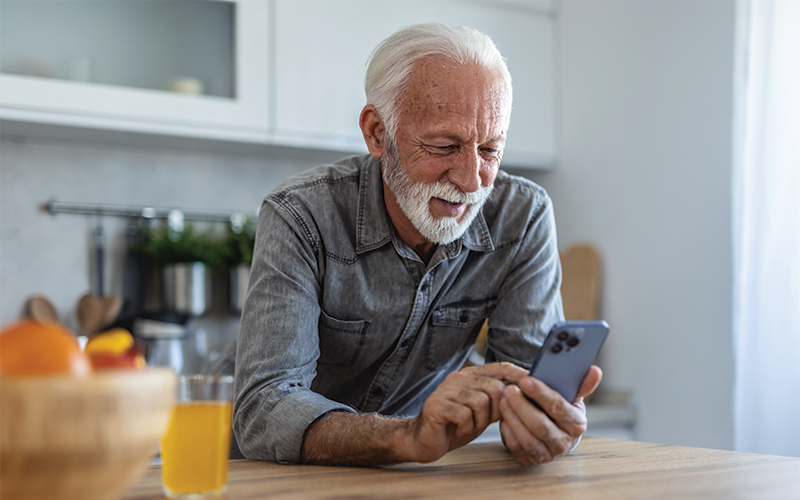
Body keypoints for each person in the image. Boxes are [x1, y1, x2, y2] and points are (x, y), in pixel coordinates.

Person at [234, 22, 602, 467]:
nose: (471, 181)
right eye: (445, 146)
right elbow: (263, 409)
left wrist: (546, 420)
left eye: (489, 150)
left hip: (409, 477)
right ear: (376, 132)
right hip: (268, 479)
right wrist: (403, 436)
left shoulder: (522, 218)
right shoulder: (301, 215)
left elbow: (529, 388)